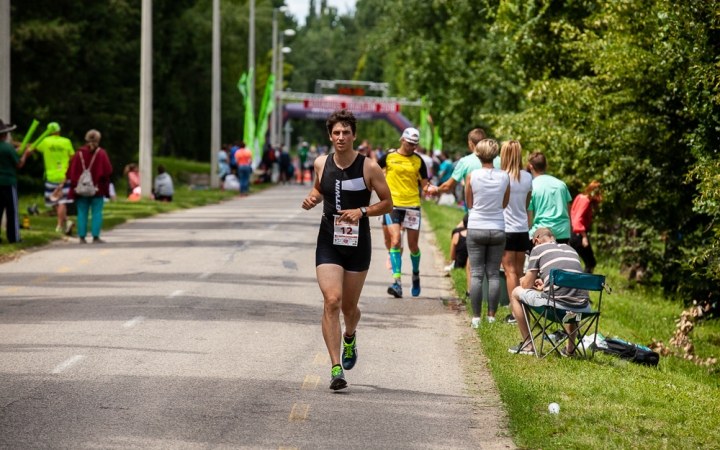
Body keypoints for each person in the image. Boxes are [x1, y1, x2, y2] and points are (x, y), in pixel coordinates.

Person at [302, 109, 392, 390]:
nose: (341, 137)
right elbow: (320, 189)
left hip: (357, 242)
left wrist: (362, 211)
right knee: (332, 301)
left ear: (354, 136)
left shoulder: (369, 167)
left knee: (350, 308)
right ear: (330, 136)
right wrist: (313, 199)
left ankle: (350, 337)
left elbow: (387, 203)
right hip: (329, 238)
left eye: (346, 132)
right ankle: (335, 368)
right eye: (336, 133)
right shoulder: (321, 163)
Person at [509, 228, 592, 356]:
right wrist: (546, 284)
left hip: (556, 309)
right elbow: (571, 281)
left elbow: (526, 286)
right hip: (583, 309)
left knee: (516, 292)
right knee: (573, 296)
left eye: (533, 244)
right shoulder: (571, 249)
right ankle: (570, 349)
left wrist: (525, 280)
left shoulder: (538, 249)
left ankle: (528, 345)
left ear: (537, 240)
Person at [378, 127, 430, 298]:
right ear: (402, 140)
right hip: (392, 205)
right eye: (410, 144)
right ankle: (397, 282)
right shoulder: (389, 157)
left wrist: (432, 189)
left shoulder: (418, 161)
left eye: (415, 144)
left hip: (412, 206)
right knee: (395, 240)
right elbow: (373, 172)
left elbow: (425, 184)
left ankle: (415, 274)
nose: (413, 147)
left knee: (413, 246)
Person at [465, 139, 510, 327]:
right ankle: (491, 315)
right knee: (493, 273)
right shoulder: (505, 176)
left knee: (476, 274)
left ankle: (476, 317)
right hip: (498, 227)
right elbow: (504, 204)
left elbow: (469, 204)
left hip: (476, 226)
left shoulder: (472, 175)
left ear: (477, 154)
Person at [500, 140, 533, 324]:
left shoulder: (501, 176)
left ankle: (515, 313)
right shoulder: (527, 178)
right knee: (520, 271)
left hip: (506, 228)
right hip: (522, 229)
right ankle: (524, 311)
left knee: (509, 272)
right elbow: (527, 204)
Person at [66, 129, 112, 244]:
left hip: (81, 189)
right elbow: (108, 171)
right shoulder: (101, 153)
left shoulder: (79, 153)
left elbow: (71, 171)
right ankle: (95, 236)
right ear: (98, 140)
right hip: (98, 189)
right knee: (97, 212)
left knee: (82, 212)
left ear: (86, 139)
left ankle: (82, 236)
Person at [27, 122, 75, 234]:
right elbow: (73, 157)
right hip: (64, 175)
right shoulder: (66, 141)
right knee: (61, 201)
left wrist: (16, 144)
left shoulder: (45, 141)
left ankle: (59, 226)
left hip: (51, 176)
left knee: (53, 201)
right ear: (59, 130)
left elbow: (32, 146)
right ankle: (67, 221)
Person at [527, 152, 572, 245]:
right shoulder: (561, 184)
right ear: (546, 165)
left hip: (541, 235)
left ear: (530, 167)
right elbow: (569, 211)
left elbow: (529, 221)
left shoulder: (531, 186)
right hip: (563, 233)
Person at [434, 128, 487, 202]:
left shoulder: (465, 161)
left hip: (474, 208)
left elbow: (448, 186)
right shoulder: (499, 160)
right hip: (496, 210)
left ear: (470, 143)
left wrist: (436, 189)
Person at [0, 119, 29, 243]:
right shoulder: (8, 147)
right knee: (12, 211)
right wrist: (25, 155)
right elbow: (18, 164)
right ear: (5, 134)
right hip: (8, 182)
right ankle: (14, 237)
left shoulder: (8, 149)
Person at [569, 181, 602, 273]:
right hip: (579, 235)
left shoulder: (579, 197)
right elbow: (577, 220)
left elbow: (572, 214)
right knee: (591, 263)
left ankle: (580, 285)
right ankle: (583, 286)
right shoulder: (586, 201)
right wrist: (584, 237)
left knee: (580, 263)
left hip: (573, 234)